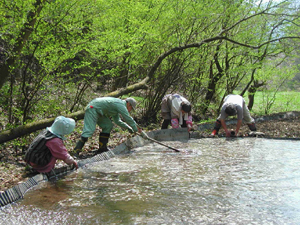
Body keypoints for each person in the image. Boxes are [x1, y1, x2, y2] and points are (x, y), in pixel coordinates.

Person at [74, 97, 142, 156]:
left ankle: (102, 148)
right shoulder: (120, 104)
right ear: (128, 104)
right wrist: (136, 129)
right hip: (93, 108)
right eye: (131, 108)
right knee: (89, 130)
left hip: (100, 112)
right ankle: (76, 151)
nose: (130, 110)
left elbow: (117, 121)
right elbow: (128, 118)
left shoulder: (118, 105)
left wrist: (128, 127)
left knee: (108, 125)